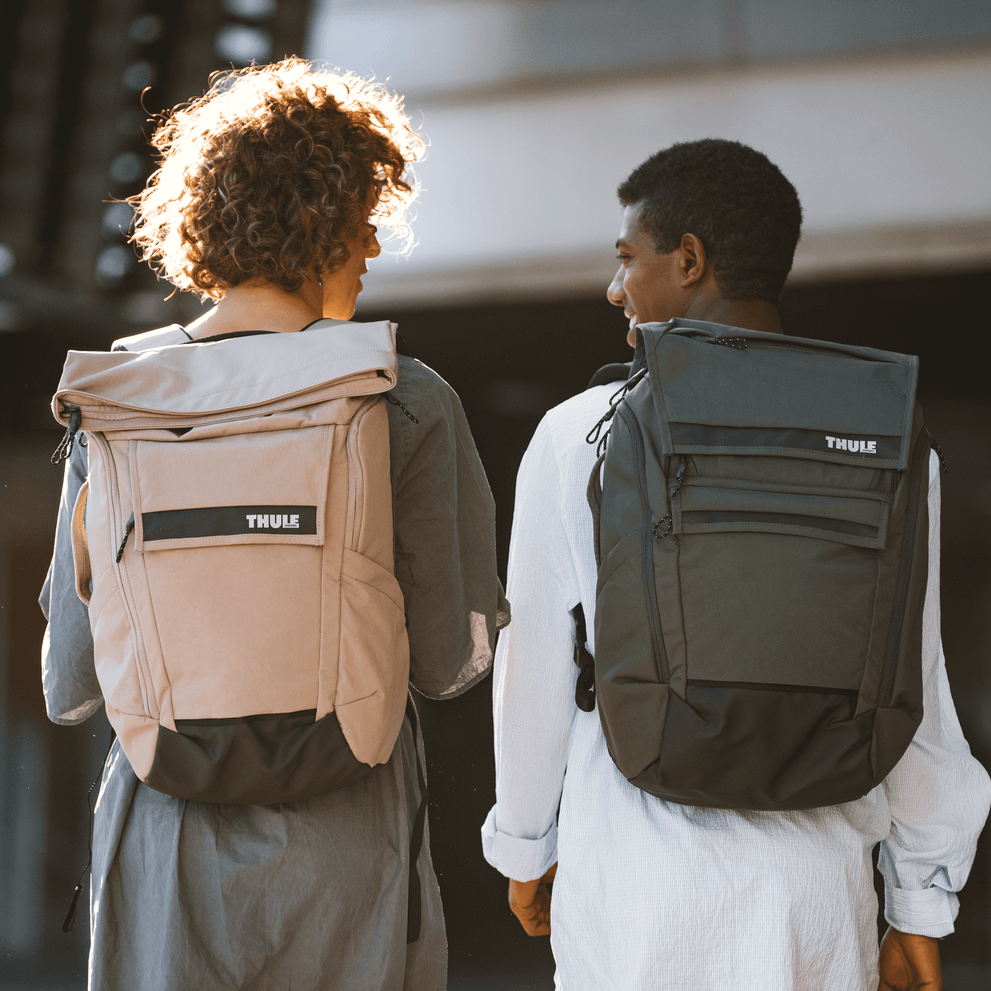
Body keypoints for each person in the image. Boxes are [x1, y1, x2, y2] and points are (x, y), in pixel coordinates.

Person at [41, 57, 508, 991]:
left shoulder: (118, 401)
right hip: (347, 829)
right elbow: (450, 664)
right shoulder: (400, 397)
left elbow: (69, 681)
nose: (373, 248)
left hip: (166, 827)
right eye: (368, 219)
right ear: (328, 222)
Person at [481, 138, 990, 990]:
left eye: (626, 259)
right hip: (814, 890)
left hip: (634, 883)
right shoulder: (896, 444)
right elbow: (915, 687)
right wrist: (917, 903)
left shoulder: (581, 432)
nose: (615, 288)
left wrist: (525, 847)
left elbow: (532, 660)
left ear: (687, 260)